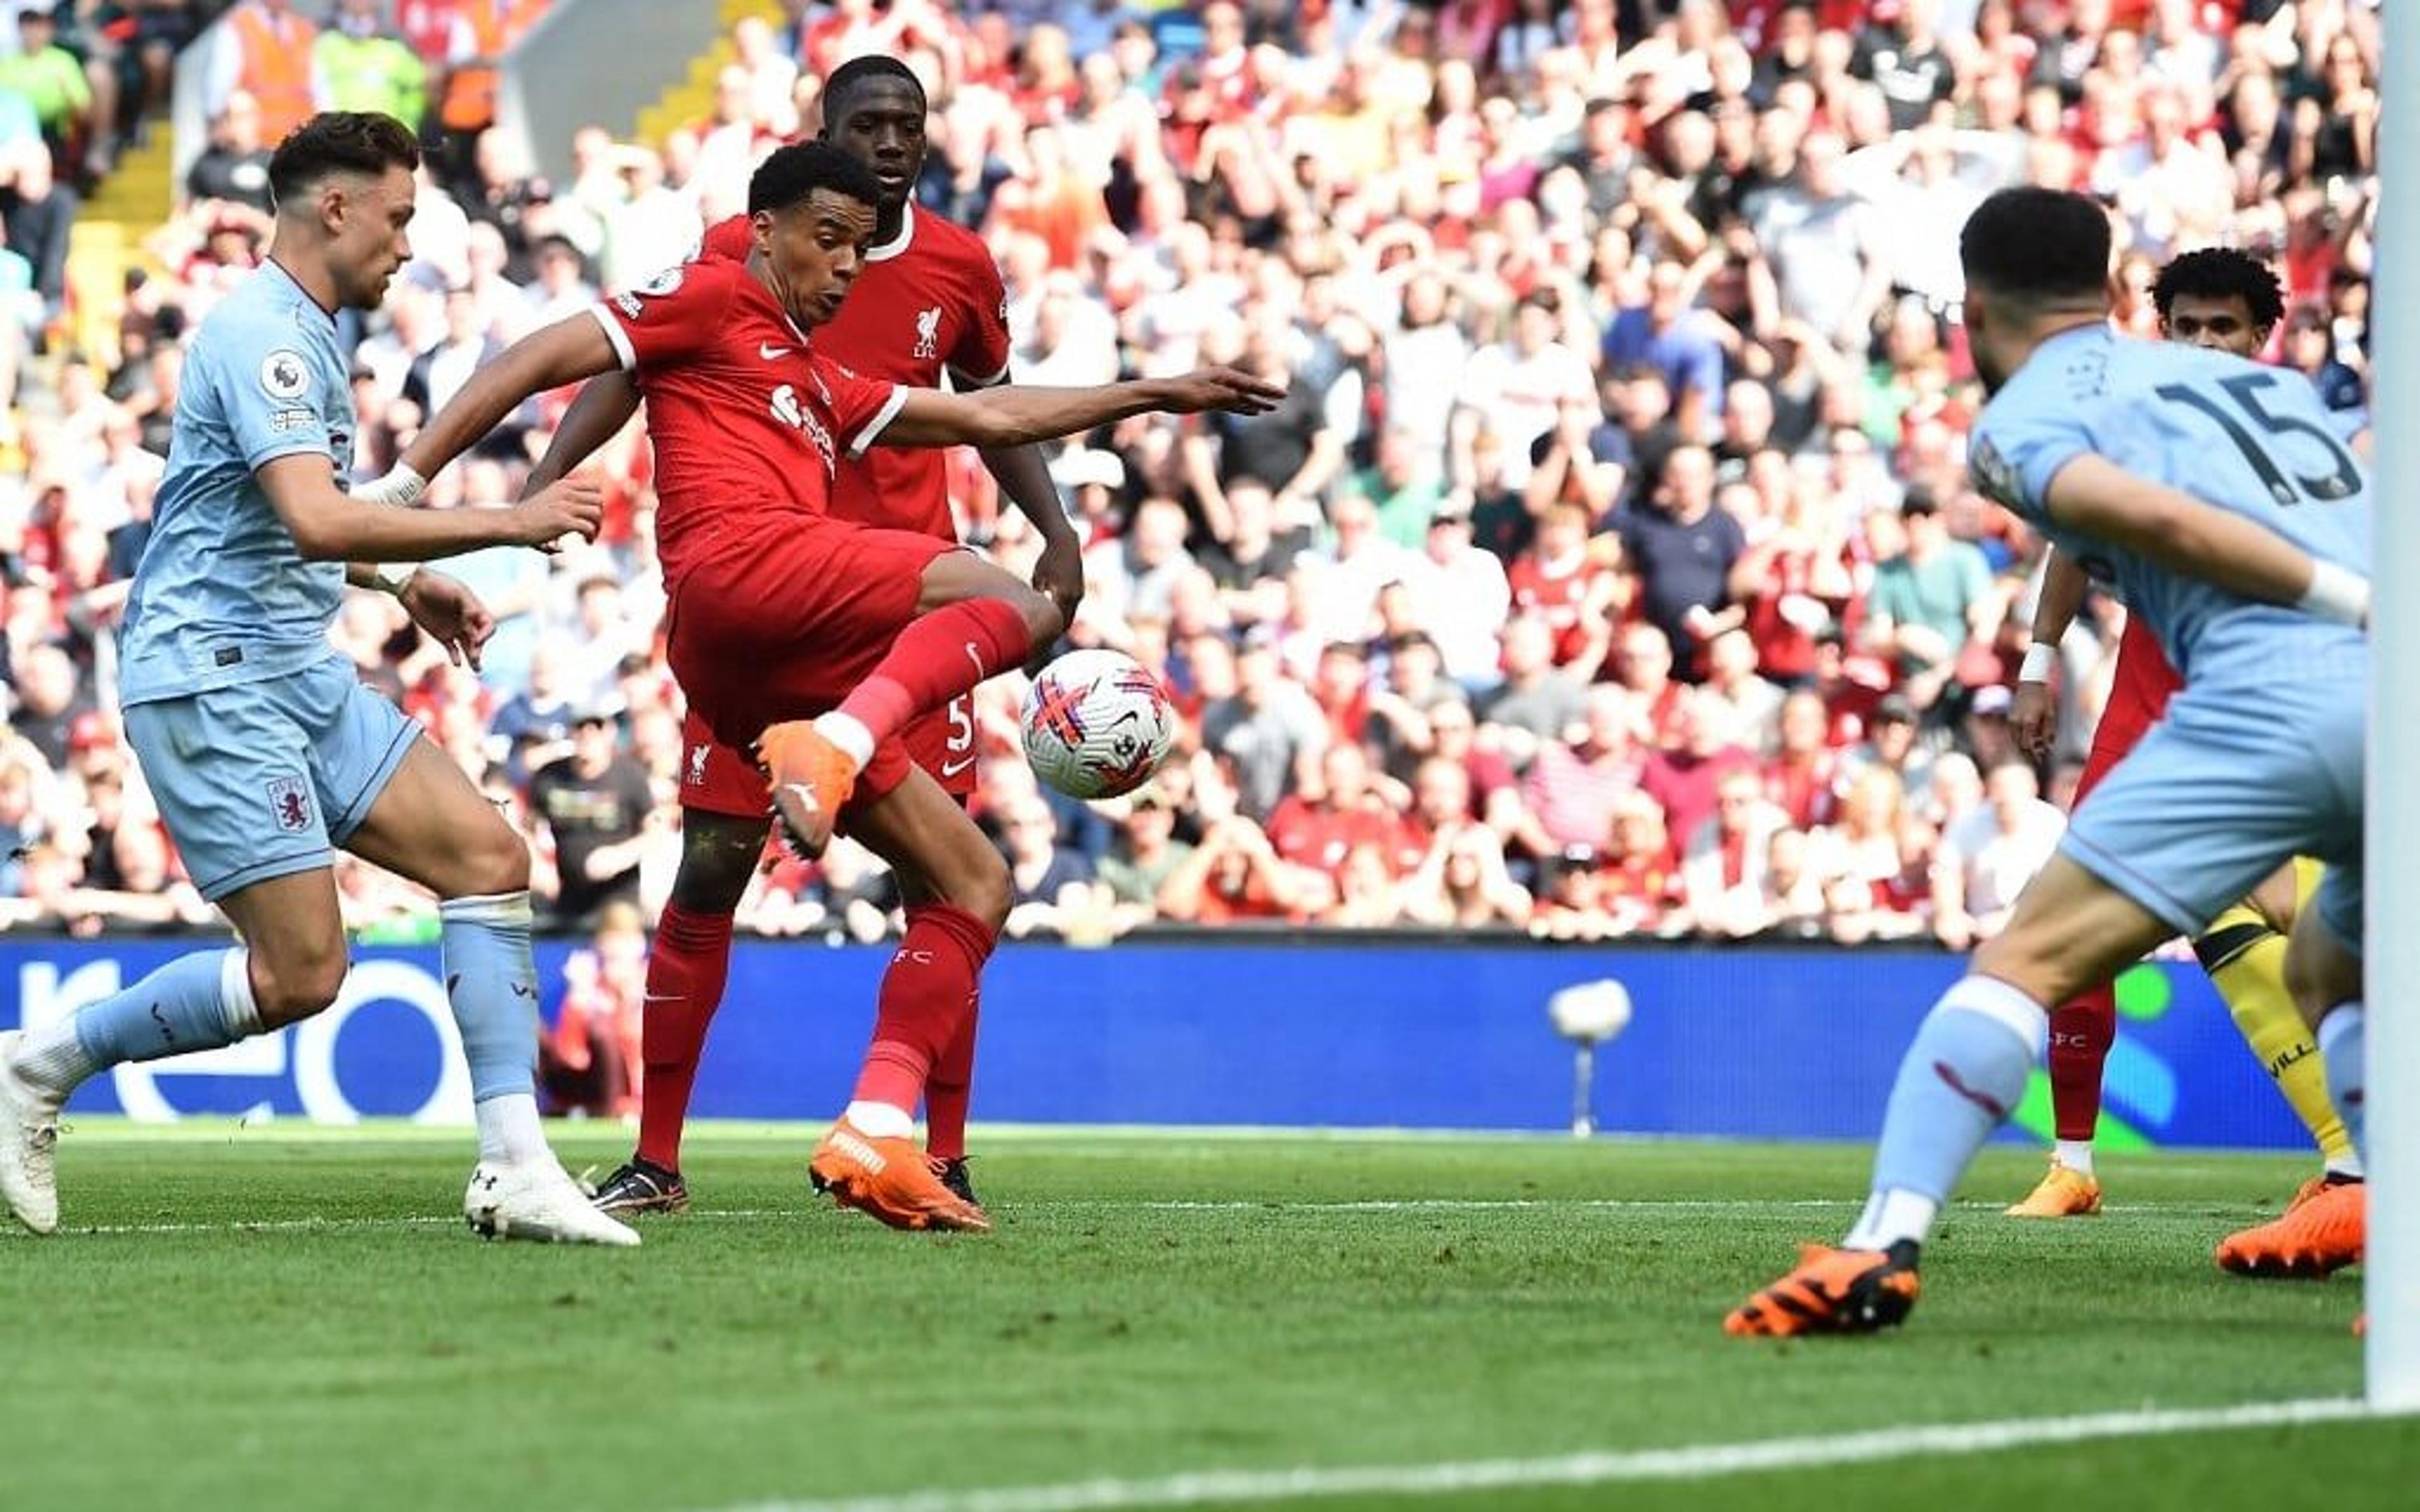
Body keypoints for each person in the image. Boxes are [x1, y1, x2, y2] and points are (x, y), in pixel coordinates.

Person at [368, 138, 1279, 1234]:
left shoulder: (816, 376)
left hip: (761, 671)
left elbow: (990, 417)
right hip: (741, 576)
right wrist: (411, 485)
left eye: (859, 246)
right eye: (827, 239)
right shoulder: (706, 299)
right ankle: (844, 739)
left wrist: (1155, 391)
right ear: (764, 231)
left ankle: (876, 1123)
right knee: (1006, 596)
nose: (846, 267)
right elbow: (536, 357)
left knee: (976, 881)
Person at [1727, 188, 2371, 1337]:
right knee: (2331, 965)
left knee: (2023, 962)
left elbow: (2147, 520)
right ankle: (2377, 1190)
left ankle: (1879, 1250)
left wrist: (2333, 597)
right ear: (2118, 287)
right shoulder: (2256, 388)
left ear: (1972, 309)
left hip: (2273, 692)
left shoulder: (2025, 421)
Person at [0, 112, 631, 1246]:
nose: (409, 245)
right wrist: (509, 524)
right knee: (300, 976)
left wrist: (401, 584)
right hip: (209, 678)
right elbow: (308, 513)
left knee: (488, 857)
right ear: (334, 209)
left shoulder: (305, 333)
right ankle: (37, 1066)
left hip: (290, 666)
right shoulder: (267, 338)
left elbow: (285, 526)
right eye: (398, 217)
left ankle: (517, 1168)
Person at [524, 57, 1089, 1219]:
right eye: (866, 125)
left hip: (912, 614)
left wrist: (1058, 528)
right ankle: (657, 1157)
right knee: (715, 869)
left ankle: (933, 1143)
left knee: (946, 878)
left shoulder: (960, 267)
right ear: (821, 137)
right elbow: (631, 362)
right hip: (772, 598)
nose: (890, 144)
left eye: (908, 125)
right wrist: (545, 482)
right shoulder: (745, 250)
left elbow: (993, 409)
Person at [2000, 245, 2363, 1276]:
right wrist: (2036, 664)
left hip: (2259, 703)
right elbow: (2075, 541)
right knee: (2066, 927)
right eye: (2189, 326)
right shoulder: (2131, 423)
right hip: (2141, 710)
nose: (2206, 344)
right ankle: (2074, 1163)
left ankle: (2357, 1160)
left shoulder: (2297, 441)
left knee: (2301, 928)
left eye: (2226, 328)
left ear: (2263, 337)